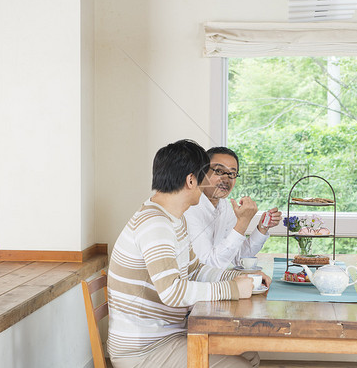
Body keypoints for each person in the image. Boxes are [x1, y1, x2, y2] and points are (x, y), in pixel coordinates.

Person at [107, 139, 268, 368]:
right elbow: (172, 291)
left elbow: (195, 269)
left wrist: (240, 279)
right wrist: (232, 289)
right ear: (191, 180)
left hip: (171, 334)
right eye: (205, 175)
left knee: (249, 353)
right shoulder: (155, 224)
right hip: (145, 349)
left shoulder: (175, 218)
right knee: (242, 364)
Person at [184, 146, 282, 269]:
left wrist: (262, 227)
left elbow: (237, 257)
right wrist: (242, 223)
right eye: (219, 171)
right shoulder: (189, 209)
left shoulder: (224, 206)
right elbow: (208, 266)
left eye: (232, 174)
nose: (226, 179)